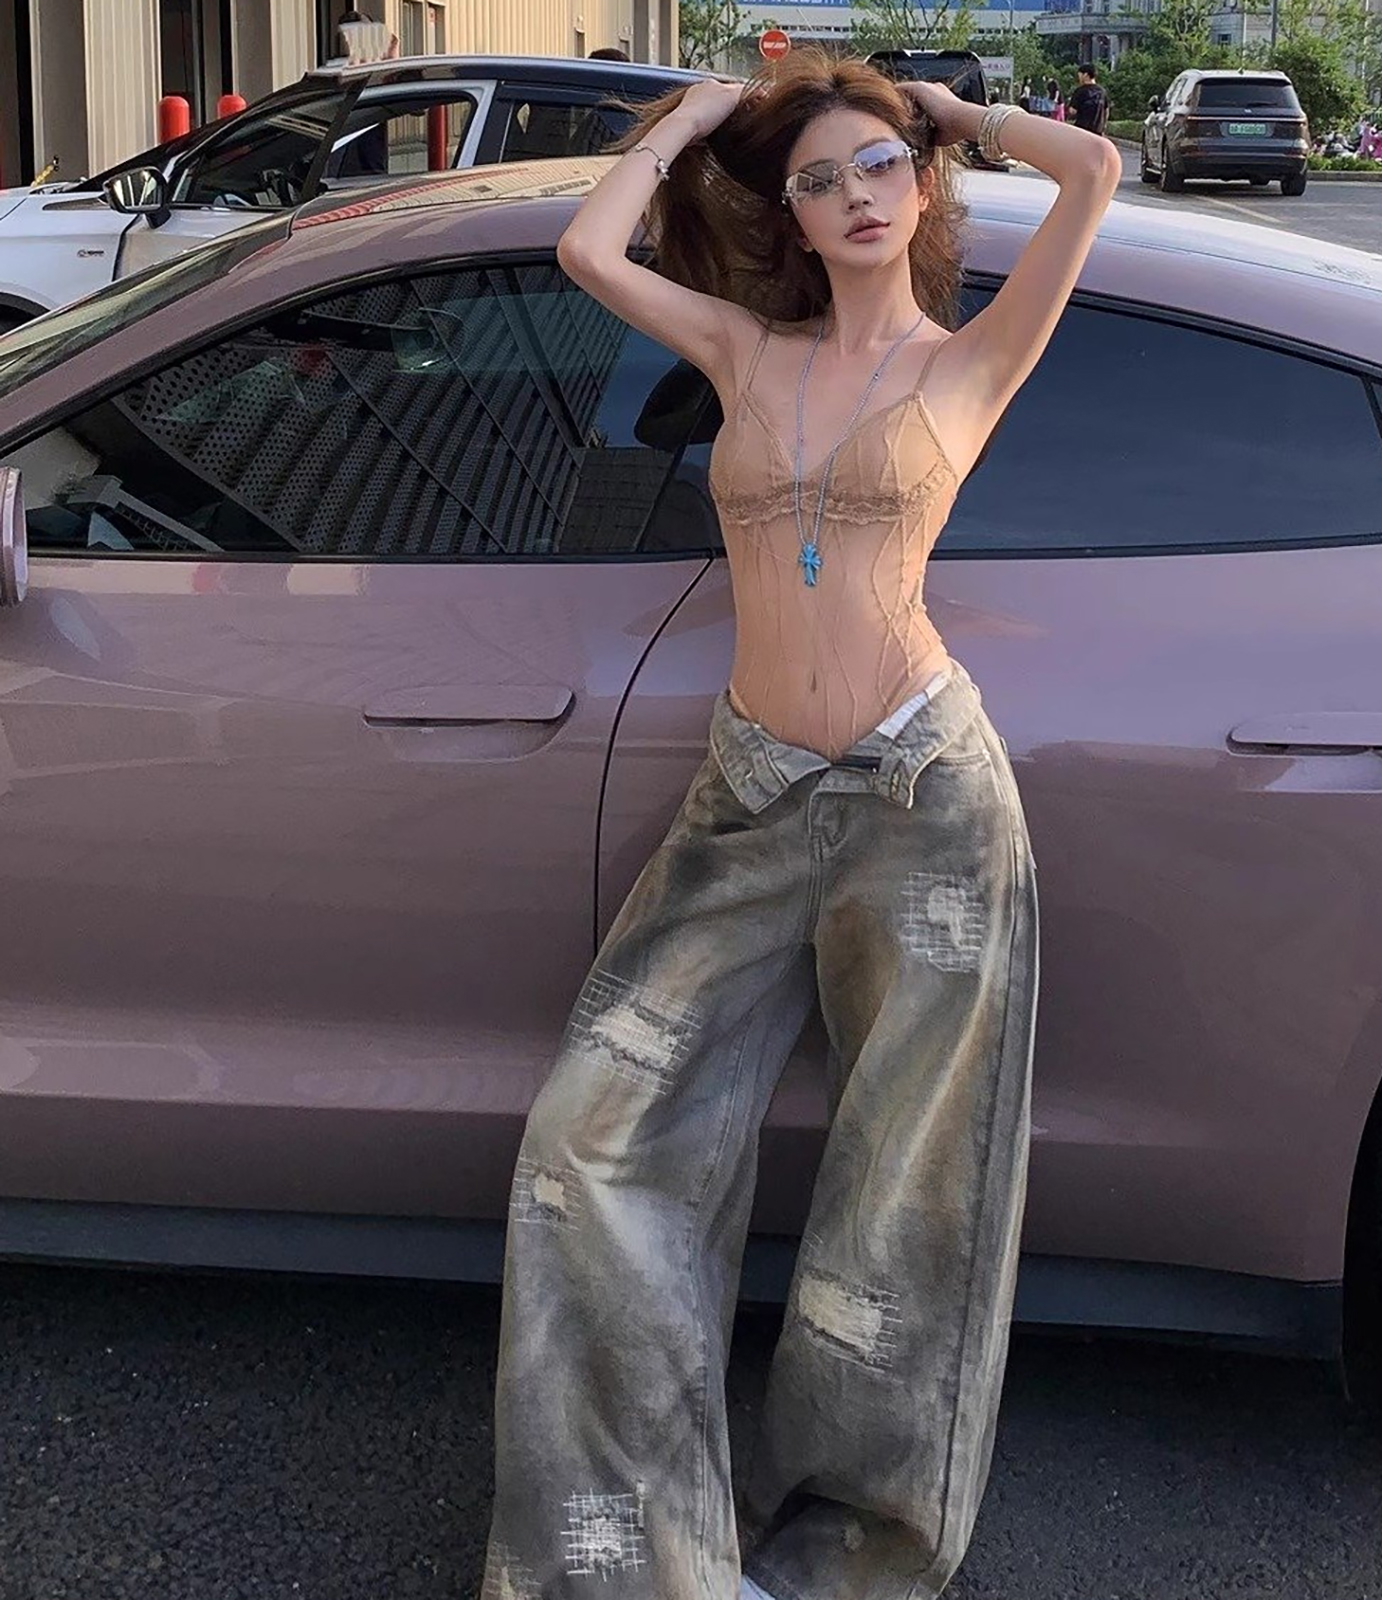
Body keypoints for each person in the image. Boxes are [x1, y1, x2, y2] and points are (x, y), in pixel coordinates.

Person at [479, 45, 1119, 1600]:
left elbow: (1094, 173)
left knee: (910, 1198)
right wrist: (700, 120)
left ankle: (851, 1561)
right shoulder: (748, 353)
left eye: (877, 168)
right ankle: (633, 1566)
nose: (854, 197)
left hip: (926, 799)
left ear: (920, 186)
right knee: (589, 1141)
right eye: (820, 180)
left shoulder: (972, 360)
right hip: (752, 791)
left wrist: (952, 116)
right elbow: (587, 250)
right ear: (792, 212)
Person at [1065, 61, 1109, 137]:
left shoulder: (1080, 91)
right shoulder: (1102, 91)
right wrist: (1103, 126)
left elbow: (1073, 111)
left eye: (1080, 75)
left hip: (1082, 130)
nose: (1079, 78)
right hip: (1098, 131)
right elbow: (1106, 110)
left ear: (1085, 75)